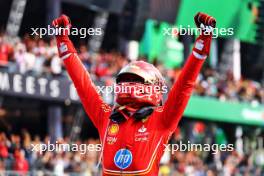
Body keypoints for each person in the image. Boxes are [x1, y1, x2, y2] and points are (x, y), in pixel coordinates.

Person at [52, 12, 216, 175]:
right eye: (125, 79)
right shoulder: (107, 118)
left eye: (136, 79)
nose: (128, 84)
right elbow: (83, 85)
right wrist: (63, 42)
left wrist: (202, 44)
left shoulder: (162, 118)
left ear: (154, 86)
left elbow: (184, 86)